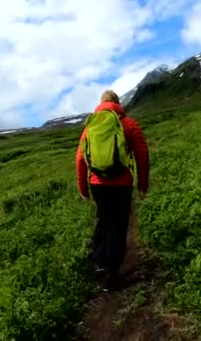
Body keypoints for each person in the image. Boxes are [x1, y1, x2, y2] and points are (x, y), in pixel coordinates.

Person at [75, 89, 150, 292]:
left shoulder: (91, 127)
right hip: (121, 185)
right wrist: (142, 184)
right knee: (118, 227)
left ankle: (99, 264)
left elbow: (80, 159)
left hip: (97, 185)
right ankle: (112, 276)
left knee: (103, 222)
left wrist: (84, 188)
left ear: (101, 104)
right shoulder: (130, 124)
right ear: (118, 104)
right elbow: (142, 155)